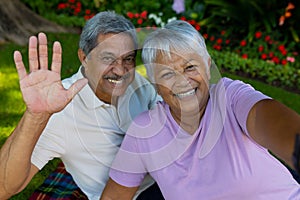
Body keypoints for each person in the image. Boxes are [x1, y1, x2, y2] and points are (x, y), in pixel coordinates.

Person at [100, 20, 300, 199]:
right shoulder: (145, 131)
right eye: (168, 74)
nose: (182, 82)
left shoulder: (230, 97)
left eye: (190, 67)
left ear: (208, 66)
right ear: (155, 85)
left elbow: (271, 120)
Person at [0, 11, 164, 200]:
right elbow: (3, 188)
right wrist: (35, 116)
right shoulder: (60, 111)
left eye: (128, 59)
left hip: (162, 181)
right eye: (108, 58)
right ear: (84, 57)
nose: (120, 70)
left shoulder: (136, 83)